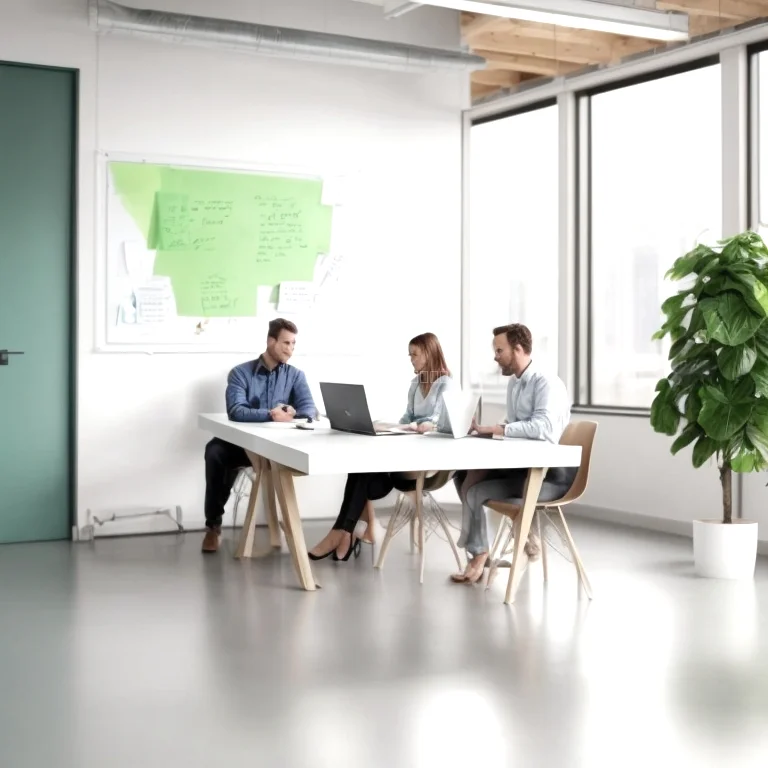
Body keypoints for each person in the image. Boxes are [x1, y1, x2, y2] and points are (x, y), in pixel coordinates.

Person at [308, 332, 453, 562]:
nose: (411, 359)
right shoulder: (415, 383)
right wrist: (392, 426)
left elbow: (437, 420)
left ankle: (342, 533)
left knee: (362, 472)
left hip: (426, 462)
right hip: (404, 456)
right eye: (410, 355)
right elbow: (408, 417)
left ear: (429, 353)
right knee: (361, 468)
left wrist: (421, 425)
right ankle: (344, 532)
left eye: (414, 354)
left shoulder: (445, 383)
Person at [452, 323, 575, 584]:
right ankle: (480, 550)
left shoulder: (546, 383)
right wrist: (485, 431)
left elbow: (544, 428)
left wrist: (498, 428)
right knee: (461, 474)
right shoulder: (515, 384)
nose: (495, 357)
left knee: (473, 487)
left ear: (518, 349)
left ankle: (479, 554)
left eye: (499, 350)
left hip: (548, 475)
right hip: (522, 467)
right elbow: (513, 422)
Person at [202, 318, 317, 554]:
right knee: (214, 451)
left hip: (279, 447)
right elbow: (236, 411)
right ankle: (213, 526)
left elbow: (309, 410)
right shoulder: (240, 373)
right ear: (270, 341)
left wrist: (294, 412)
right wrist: (270, 415)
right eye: (286, 343)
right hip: (243, 446)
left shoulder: (295, 376)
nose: (290, 349)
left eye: (294, 344)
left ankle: (291, 528)